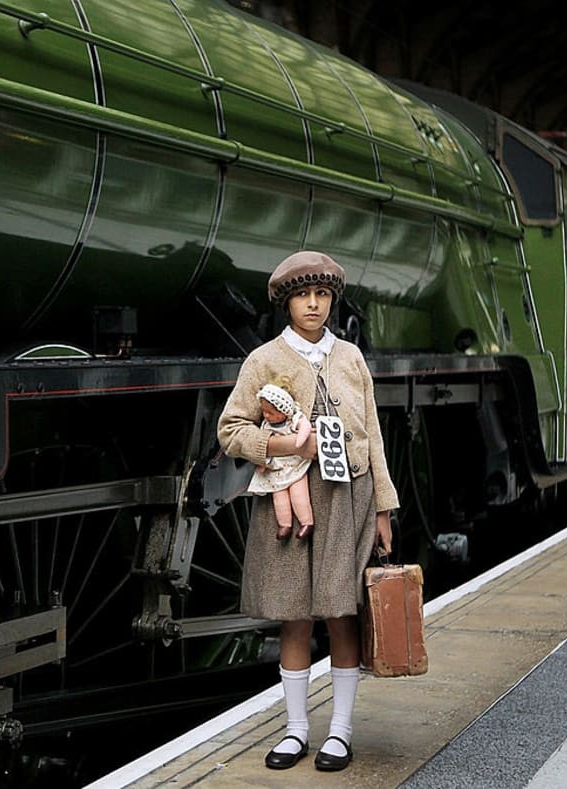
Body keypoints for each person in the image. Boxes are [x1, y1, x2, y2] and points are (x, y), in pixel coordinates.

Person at [217, 250, 398, 772]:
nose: (313, 305)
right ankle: (296, 730)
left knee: (342, 613)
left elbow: (375, 435)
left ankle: (339, 731)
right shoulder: (264, 360)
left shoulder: (351, 358)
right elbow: (231, 431)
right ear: (286, 303)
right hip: (289, 499)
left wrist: (384, 506)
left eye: (322, 296)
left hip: (350, 497)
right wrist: (284, 448)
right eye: (302, 296)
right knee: (294, 616)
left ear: (332, 301)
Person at [248, 378, 314, 541]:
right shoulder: (266, 424)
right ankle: (285, 524)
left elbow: (304, 426)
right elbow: (262, 440)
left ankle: (306, 522)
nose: (266, 416)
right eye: (264, 412)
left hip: (295, 463)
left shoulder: (293, 419)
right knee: (279, 496)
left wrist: (298, 442)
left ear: (283, 411)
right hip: (276, 467)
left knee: (299, 493)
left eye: (270, 413)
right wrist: (262, 463)